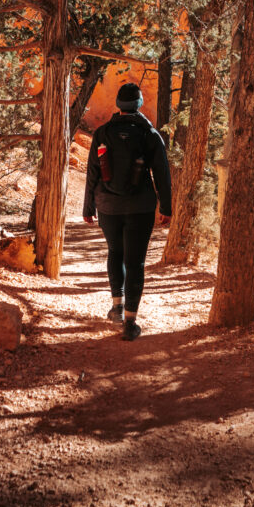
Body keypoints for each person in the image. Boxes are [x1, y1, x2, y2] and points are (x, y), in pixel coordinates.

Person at [83, 82, 172, 341]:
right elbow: (162, 175)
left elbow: (92, 172)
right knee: (136, 262)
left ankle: (117, 307)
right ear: (139, 104)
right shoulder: (150, 135)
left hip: (108, 206)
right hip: (140, 207)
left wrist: (88, 207)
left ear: (118, 105)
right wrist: (165, 207)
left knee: (115, 252)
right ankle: (130, 323)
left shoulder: (103, 133)